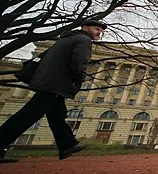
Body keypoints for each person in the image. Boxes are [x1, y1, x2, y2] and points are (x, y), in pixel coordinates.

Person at [0, 19, 107, 163]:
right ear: (85, 27)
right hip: (55, 84)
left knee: (57, 114)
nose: (99, 32)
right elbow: (79, 62)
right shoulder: (83, 40)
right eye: (96, 28)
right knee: (28, 115)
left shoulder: (66, 39)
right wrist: (78, 81)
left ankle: (67, 145)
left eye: (101, 30)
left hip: (48, 81)